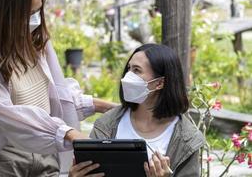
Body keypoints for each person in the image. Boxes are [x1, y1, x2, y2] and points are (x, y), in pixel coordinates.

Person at [0, 0, 116, 176]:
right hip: (7, 158)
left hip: (46, 150)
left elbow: (58, 96)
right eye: (28, 14)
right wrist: (68, 133)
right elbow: (10, 116)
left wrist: (109, 108)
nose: (35, 20)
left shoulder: (37, 44)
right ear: (5, 12)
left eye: (38, 11)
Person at [69, 44, 205, 177]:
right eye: (129, 68)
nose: (127, 77)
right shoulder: (107, 125)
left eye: (137, 70)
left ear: (159, 83)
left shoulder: (187, 140)